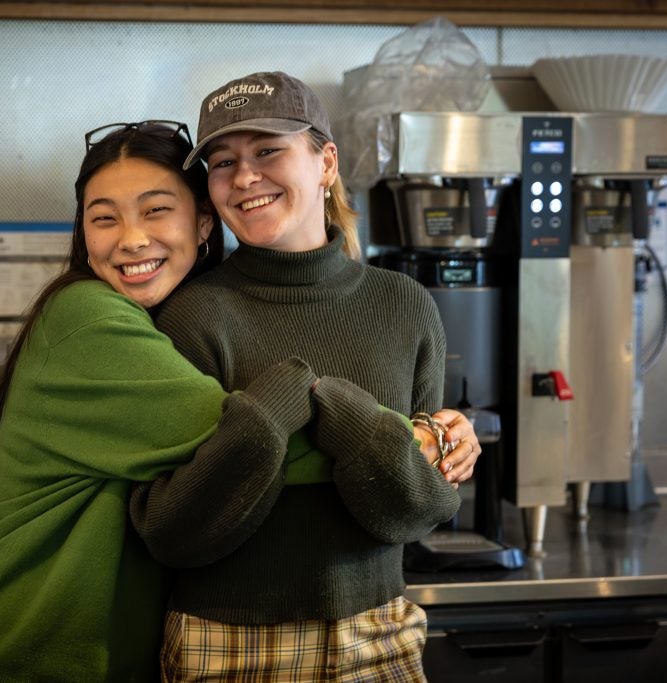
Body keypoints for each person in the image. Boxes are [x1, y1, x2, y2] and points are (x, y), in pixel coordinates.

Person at [0, 121, 329, 682]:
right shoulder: (86, 317)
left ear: (201, 223)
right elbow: (247, 441)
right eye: (104, 218)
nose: (131, 238)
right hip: (25, 658)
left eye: (154, 210)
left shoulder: (178, 320)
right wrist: (411, 438)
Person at [130, 72, 481, 680]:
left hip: (380, 634)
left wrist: (355, 424)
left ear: (325, 162)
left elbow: (420, 508)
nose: (243, 177)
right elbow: (175, 532)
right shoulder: (189, 316)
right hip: (229, 643)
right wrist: (270, 418)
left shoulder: (404, 305)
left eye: (268, 150)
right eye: (222, 161)